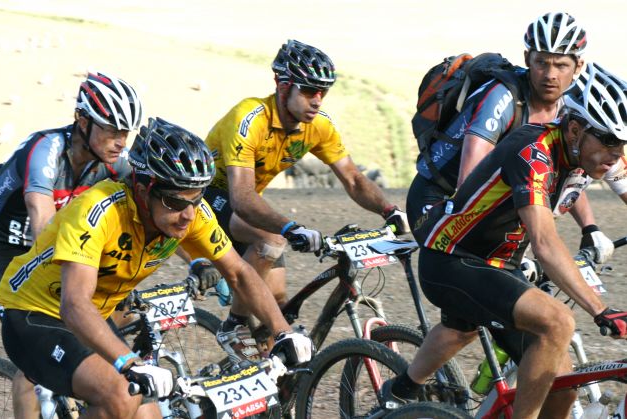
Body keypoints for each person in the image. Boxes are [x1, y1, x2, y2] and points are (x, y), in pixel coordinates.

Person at [0, 117, 314, 418]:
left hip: (91, 314)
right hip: (34, 314)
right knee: (120, 394)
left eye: (197, 198)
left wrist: (282, 331)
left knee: (149, 407)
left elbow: (239, 272)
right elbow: (75, 303)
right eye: (177, 202)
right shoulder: (97, 212)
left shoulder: (190, 214)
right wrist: (129, 362)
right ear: (144, 189)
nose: (189, 214)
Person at [387, 63, 627, 418]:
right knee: (559, 321)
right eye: (610, 141)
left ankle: (402, 390)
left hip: (500, 265)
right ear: (575, 129)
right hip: (453, 260)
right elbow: (544, 242)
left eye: (623, 144)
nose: (617, 154)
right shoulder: (533, 152)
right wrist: (602, 310)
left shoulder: (594, 155)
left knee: (561, 390)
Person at [203, 39, 410, 339]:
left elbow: (353, 178)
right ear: (284, 86)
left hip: (244, 205)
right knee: (271, 239)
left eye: (323, 92)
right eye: (310, 90)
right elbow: (242, 198)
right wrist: (291, 228)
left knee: (276, 302)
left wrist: (390, 211)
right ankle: (234, 327)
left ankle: (275, 375)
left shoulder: (318, 126)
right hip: (205, 198)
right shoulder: (249, 118)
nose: (317, 100)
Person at [0, 71, 142, 419]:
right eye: (111, 130)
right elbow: (41, 220)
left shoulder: (110, 162)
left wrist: (195, 260)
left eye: (126, 133)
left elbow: (153, 202)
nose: (120, 142)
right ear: (82, 120)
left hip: (47, 247)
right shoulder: (46, 149)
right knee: (32, 343)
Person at [407, 12, 616, 265]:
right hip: (440, 199)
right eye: (541, 62)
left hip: (492, 203)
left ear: (578, 66)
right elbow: (468, 182)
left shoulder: (570, 108)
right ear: (527, 58)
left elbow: (568, 168)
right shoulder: (502, 97)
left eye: (561, 65)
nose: (550, 74)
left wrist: (589, 228)